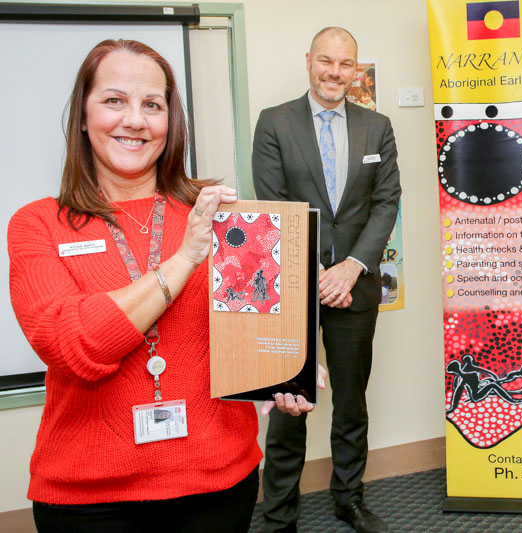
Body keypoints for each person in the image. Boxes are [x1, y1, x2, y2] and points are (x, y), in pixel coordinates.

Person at [7, 39, 318, 533]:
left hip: (216, 482)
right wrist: (185, 258)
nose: (135, 120)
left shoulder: (223, 218)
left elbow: (255, 327)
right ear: (83, 118)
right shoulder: (39, 224)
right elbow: (74, 345)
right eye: (114, 101)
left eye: (152, 105)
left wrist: (285, 364)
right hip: (89, 497)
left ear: (169, 123)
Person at [252, 26, 401, 533]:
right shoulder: (275, 122)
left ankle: (348, 498)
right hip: (295, 286)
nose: (336, 72)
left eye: (346, 64)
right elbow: (272, 204)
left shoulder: (376, 126)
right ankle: (278, 516)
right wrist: (314, 271)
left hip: (355, 285)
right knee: (289, 403)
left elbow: (386, 203)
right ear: (309, 60)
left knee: (351, 400)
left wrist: (351, 266)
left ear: (356, 69)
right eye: (326, 61)